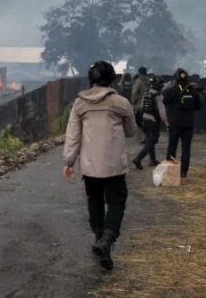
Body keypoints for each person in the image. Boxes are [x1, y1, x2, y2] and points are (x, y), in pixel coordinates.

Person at [63, 61, 137, 270]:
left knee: (94, 202)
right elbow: (131, 131)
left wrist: (68, 161)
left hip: (90, 166)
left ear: (91, 79)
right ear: (112, 78)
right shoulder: (121, 103)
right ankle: (108, 238)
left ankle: (99, 239)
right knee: (116, 202)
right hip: (114, 166)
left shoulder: (80, 104)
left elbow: (73, 136)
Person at [163, 68, 201, 179]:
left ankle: (170, 170)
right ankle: (184, 172)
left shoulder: (172, 90)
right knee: (186, 149)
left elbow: (165, 101)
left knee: (172, 147)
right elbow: (198, 107)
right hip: (189, 123)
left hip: (175, 123)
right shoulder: (194, 91)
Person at [133, 77, 167, 169]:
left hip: (144, 119)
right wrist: (167, 123)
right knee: (152, 141)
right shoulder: (159, 96)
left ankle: (153, 160)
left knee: (149, 139)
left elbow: (141, 107)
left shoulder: (146, 93)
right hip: (153, 121)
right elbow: (162, 112)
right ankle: (138, 158)